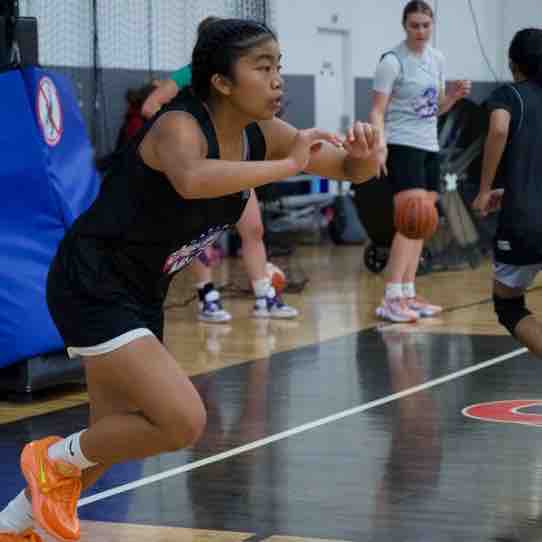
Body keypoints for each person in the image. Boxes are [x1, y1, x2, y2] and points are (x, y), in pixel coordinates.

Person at [0, 18, 380, 542]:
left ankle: (12, 523)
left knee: (113, 438)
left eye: (279, 68)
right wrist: (286, 166)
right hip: (93, 280)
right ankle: (50, 456)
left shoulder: (261, 134)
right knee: (181, 420)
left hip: (141, 291)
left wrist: (364, 159)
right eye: (263, 68)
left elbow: (343, 167)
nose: (277, 81)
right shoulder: (179, 127)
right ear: (222, 82)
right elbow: (193, 178)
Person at [143, 16, 298, 324]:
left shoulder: (257, 108)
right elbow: (150, 107)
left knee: (253, 228)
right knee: (198, 236)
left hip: (234, 163)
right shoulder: (189, 77)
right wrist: (180, 139)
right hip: (201, 167)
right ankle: (206, 294)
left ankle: (263, 293)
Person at [369, 0, 471, 323]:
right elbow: (377, 111)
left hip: (430, 145)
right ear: (405, 26)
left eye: (426, 25)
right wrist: (379, 145)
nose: (421, 31)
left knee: (424, 222)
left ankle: (408, 293)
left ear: (432, 25)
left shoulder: (436, 59)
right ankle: (390, 297)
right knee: (409, 220)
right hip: (401, 144)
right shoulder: (392, 61)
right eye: (414, 25)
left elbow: (433, 109)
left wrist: (452, 97)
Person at [473, 28, 542, 358]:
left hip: (525, 222)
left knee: (509, 304)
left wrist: (485, 190)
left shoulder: (509, 95)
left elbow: (499, 127)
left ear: (514, 65)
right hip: (525, 207)